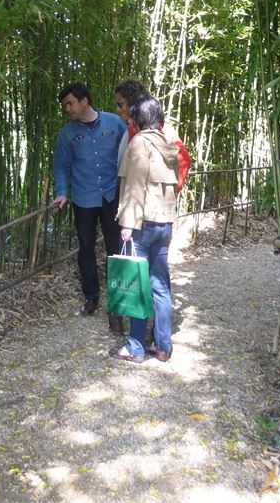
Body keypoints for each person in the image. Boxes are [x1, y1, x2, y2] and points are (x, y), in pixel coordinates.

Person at [109, 95, 180, 364]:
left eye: (131, 116)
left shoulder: (140, 142)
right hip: (164, 222)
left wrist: (127, 223)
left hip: (142, 223)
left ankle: (136, 347)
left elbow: (135, 186)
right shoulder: (166, 142)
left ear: (139, 118)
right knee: (160, 285)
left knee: (137, 283)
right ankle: (163, 346)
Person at [51, 82, 126, 329]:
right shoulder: (67, 133)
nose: (68, 109)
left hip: (110, 196)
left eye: (70, 103)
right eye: (65, 105)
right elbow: (61, 165)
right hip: (83, 199)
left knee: (115, 249)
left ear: (84, 100)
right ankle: (91, 297)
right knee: (86, 248)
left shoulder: (114, 123)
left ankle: (117, 303)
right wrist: (62, 192)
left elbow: (128, 154)